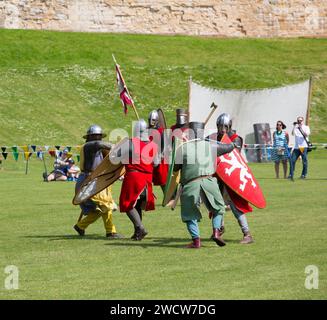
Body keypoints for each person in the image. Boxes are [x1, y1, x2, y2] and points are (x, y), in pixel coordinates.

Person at [173, 121, 236, 248]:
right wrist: (230, 143)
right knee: (219, 208)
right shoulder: (211, 146)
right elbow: (229, 147)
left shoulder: (183, 148)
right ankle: (217, 232)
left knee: (189, 214)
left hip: (191, 184)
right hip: (209, 182)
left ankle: (196, 241)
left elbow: (175, 169)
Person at [208, 113, 254, 244]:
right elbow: (204, 148)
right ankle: (218, 230)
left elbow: (233, 155)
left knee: (236, 207)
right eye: (220, 126)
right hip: (218, 178)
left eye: (225, 126)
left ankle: (247, 234)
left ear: (229, 126)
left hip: (232, 178)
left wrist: (215, 147)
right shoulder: (213, 138)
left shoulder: (235, 139)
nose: (222, 129)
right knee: (216, 205)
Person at [73, 125, 123, 239]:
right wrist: (117, 147)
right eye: (96, 136)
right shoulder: (88, 146)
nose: (98, 138)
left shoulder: (97, 149)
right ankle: (111, 232)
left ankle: (80, 226)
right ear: (90, 137)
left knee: (100, 209)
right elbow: (98, 144)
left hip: (96, 180)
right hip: (89, 181)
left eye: (99, 136)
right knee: (106, 205)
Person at [115, 119, 159, 241]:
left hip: (134, 177)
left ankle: (140, 228)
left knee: (127, 203)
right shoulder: (153, 145)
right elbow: (156, 164)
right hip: (147, 179)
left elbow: (116, 157)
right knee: (137, 204)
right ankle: (137, 233)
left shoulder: (130, 143)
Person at [148, 110, 168, 193]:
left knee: (163, 179)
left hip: (160, 159)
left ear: (157, 121)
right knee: (147, 179)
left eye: (153, 120)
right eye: (150, 120)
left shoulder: (162, 131)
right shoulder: (146, 131)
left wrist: (160, 156)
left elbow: (165, 145)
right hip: (149, 160)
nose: (151, 122)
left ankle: (169, 197)